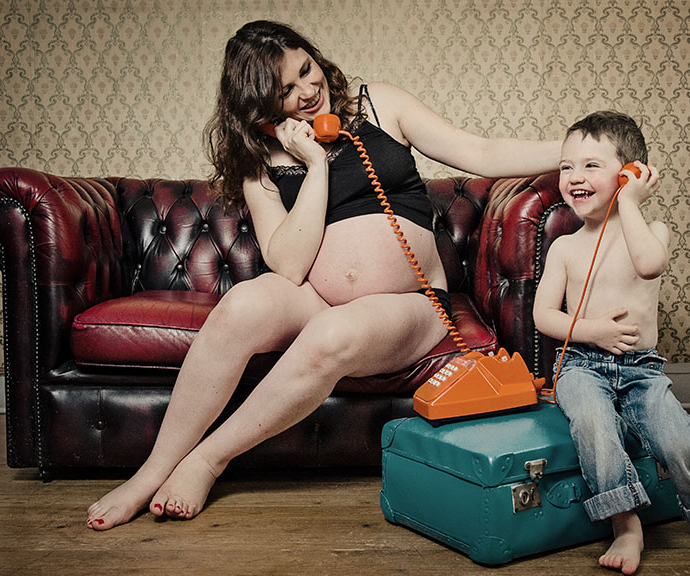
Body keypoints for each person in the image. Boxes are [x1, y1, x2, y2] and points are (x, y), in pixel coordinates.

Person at [86, 20, 560, 530]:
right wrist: (315, 164)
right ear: (262, 109)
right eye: (287, 91)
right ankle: (150, 473)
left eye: (307, 70)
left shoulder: (379, 104)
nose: (310, 92)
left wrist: (577, 154)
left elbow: (480, 154)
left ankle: (207, 460)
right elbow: (287, 264)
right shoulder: (260, 162)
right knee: (239, 307)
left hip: (411, 305)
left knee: (330, 334)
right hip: (314, 293)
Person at [532, 111, 690, 575]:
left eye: (591, 165)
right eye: (567, 166)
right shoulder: (564, 248)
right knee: (594, 425)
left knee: (677, 439)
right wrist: (594, 331)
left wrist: (629, 203)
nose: (574, 176)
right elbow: (543, 315)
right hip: (581, 366)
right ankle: (625, 522)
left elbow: (650, 265)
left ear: (631, 172)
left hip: (641, 369)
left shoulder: (651, 232)